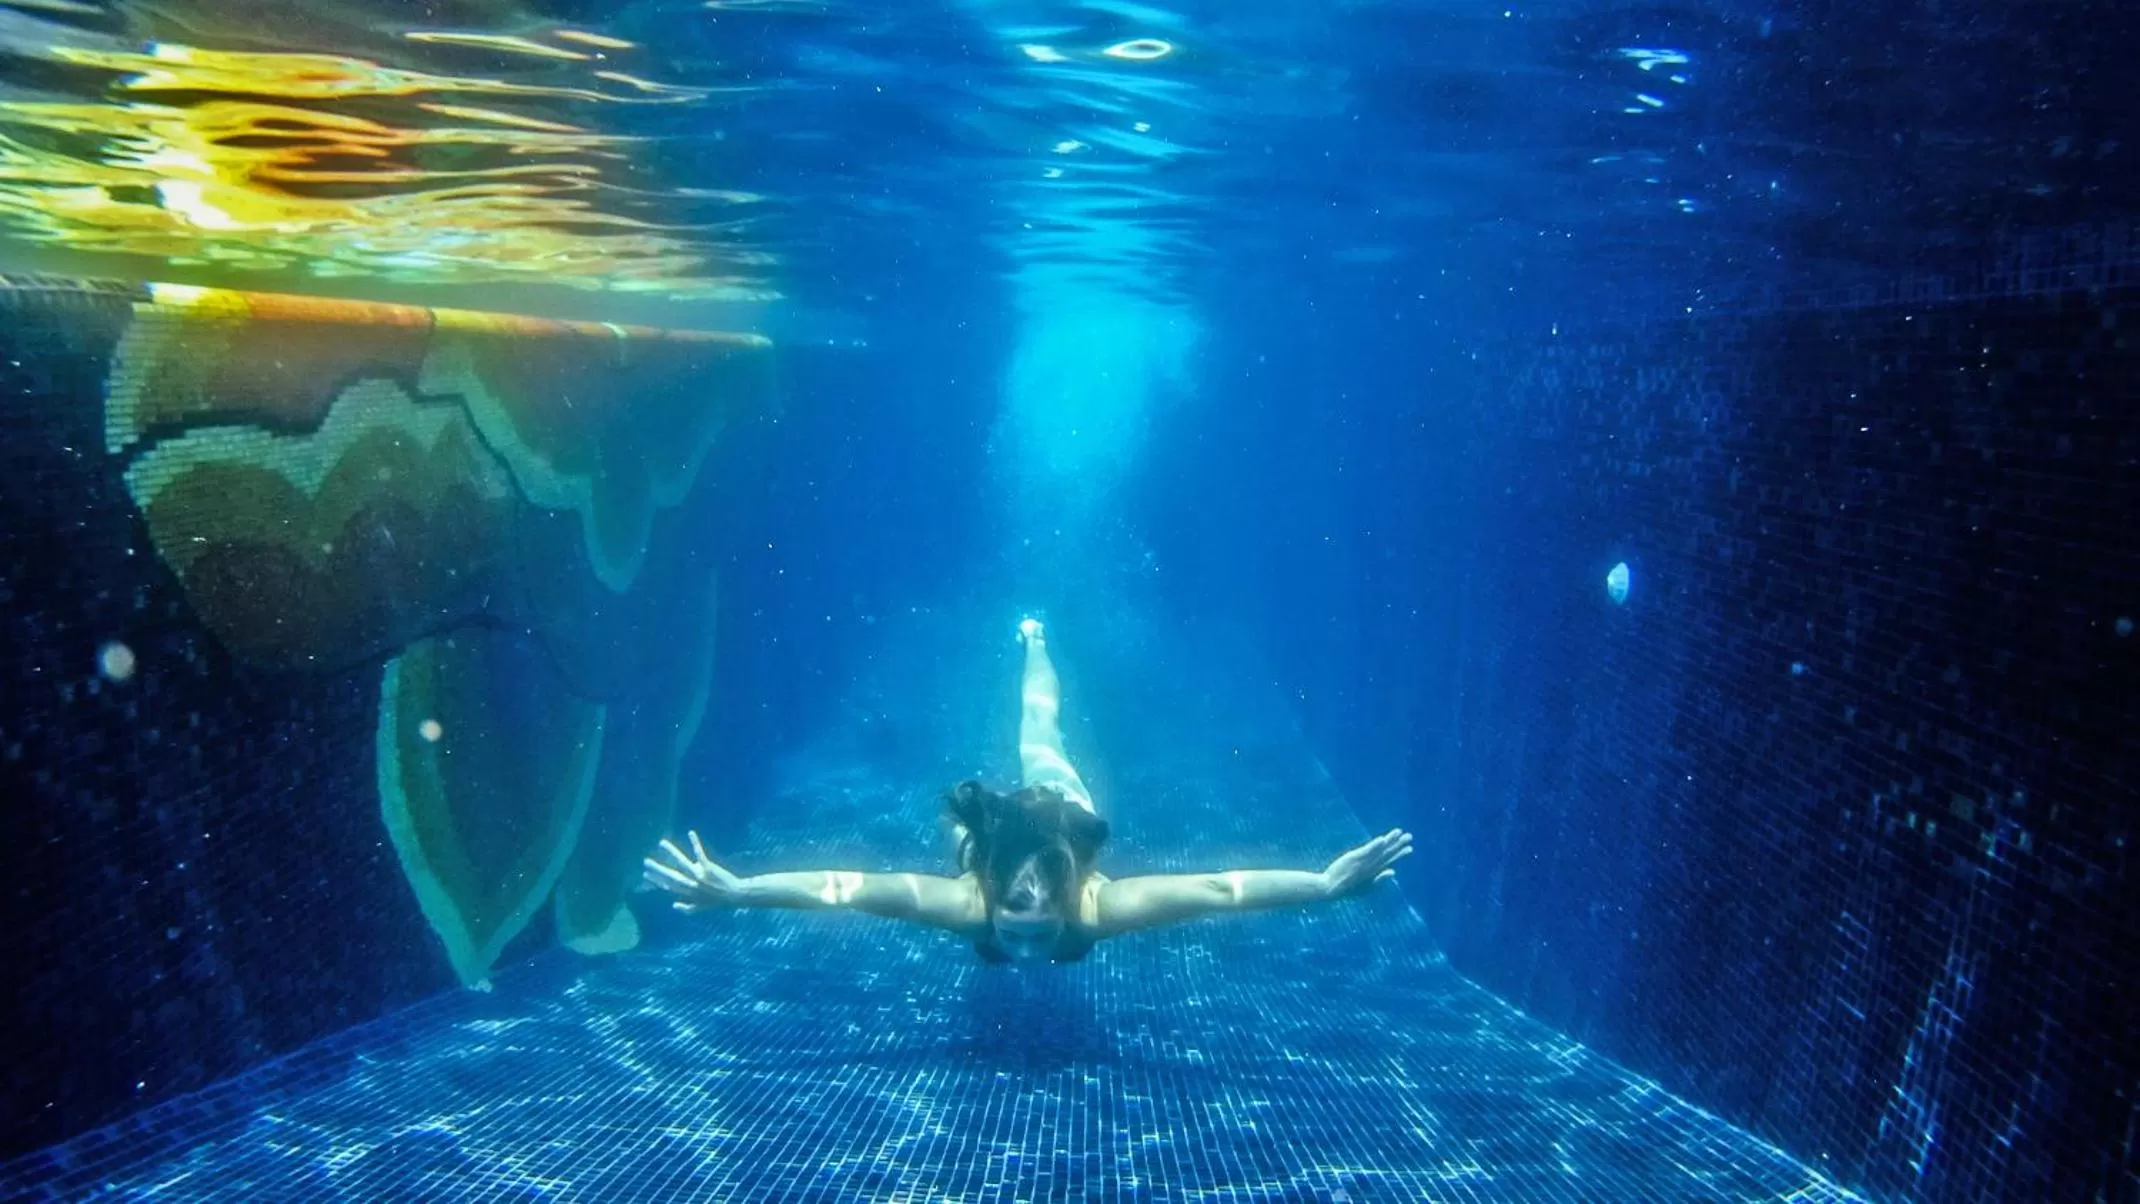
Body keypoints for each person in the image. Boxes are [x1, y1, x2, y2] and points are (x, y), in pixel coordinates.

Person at [643, 619, 1414, 963]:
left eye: (1033, 931)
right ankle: (1028, 658)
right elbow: (844, 886)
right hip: (995, 842)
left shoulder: (1092, 906)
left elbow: (1222, 888)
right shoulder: (969, 902)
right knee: (989, 790)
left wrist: (1321, 883)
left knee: (1042, 741)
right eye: (1018, 929)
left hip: (1057, 823)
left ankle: (1040, 642)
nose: (1024, 942)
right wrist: (741, 890)